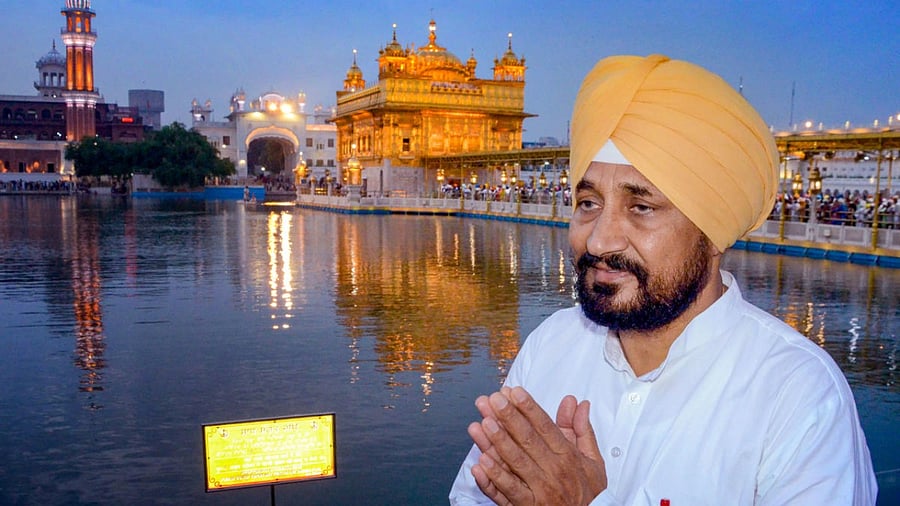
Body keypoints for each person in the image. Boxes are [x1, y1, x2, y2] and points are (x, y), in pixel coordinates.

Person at [449, 54, 877, 505]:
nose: (599, 241)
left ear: (713, 233)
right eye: (589, 203)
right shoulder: (552, 344)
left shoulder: (795, 394)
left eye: (641, 208)